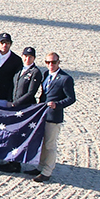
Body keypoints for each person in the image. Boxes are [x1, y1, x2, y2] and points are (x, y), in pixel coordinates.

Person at [34, 52, 74, 182]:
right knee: (43, 143)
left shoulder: (65, 78)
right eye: (48, 62)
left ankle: (47, 171)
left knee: (50, 145)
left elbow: (71, 98)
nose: (51, 65)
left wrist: (57, 105)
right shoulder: (46, 75)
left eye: (53, 62)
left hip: (54, 116)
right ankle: (40, 166)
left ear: (58, 62)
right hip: (43, 114)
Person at [0, 33, 23, 103]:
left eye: (7, 43)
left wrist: (10, 99)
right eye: (2, 42)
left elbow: (16, 81)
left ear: (11, 44)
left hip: (4, 97)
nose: (4, 45)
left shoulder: (16, 60)